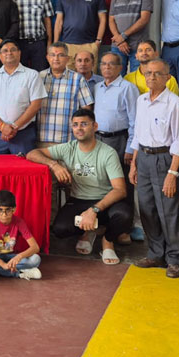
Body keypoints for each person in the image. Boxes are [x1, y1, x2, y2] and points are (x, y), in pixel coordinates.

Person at [28, 108, 132, 264]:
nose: (79, 128)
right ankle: (89, 231)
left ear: (95, 126)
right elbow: (32, 153)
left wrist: (93, 210)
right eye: (75, 125)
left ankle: (107, 240)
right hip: (79, 200)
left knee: (124, 215)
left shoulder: (108, 153)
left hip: (105, 201)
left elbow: (120, 190)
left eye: (84, 124)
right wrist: (54, 165)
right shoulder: (68, 148)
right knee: (60, 229)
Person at [129, 59, 179, 278]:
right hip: (143, 158)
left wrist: (172, 174)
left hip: (165, 159)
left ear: (168, 77)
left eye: (157, 74)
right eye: (148, 73)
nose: (151, 77)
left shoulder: (175, 103)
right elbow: (137, 134)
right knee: (147, 208)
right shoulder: (142, 100)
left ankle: (175, 258)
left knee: (170, 210)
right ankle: (156, 253)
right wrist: (134, 164)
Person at [93, 52, 140, 243]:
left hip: (120, 140)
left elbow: (135, 120)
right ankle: (104, 224)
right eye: (103, 64)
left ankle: (123, 229)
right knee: (101, 183)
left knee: (123, 184)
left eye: (111, 64)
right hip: (98, 140)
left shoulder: (128, 88)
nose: (107, 67)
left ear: (120, 67)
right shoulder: (97, 87)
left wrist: (130, 148)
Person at [0, 41, 46, 154]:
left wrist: (14, 126)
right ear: (0, 56)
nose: (9, 53)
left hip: (23, 134)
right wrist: (2, 126)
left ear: (19, 53)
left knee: (24, 170)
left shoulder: (32, 75)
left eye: (13, 50)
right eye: (5, 51)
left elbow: (36, 105)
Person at [0, 189, 43, 278]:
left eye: (8, 210)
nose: (4, 214)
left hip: (14, 257)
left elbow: (35, 247)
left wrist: (19, 257)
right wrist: (2, 264)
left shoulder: (19, 222)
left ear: (14, 209)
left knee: (36, 259)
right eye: (0, 210)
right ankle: (20, 273)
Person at [38, 43, 93, 146]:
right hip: (42, 139)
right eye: (53, 55)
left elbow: (86, 109)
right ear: (47, 57)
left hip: (69, 140)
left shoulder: (77, 78)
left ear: (67, 58)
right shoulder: (39, 77)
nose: (56, 58)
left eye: (61, 55)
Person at [53, 0, 107, 69]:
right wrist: (56, 44)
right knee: (68, 79)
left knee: (89, 78)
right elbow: (59, 22)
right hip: (68, 45)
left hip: (90, 44)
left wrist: (98, 42)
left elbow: (103, 19)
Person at [108, 0, 153, 74]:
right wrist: (119, 40)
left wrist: (122, 36)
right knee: (116, 79)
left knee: (137, 80)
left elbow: (144, 19)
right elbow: (111, 20)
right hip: (117, 46)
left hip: (138, 46)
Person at [8, 0, 54, 71]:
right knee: (20, 73)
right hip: (19, 43)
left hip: (39, 42)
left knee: (41, 73)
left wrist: (49, 43)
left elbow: (47, 21)